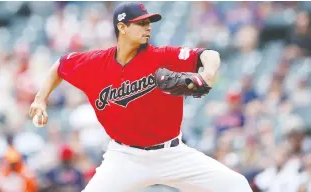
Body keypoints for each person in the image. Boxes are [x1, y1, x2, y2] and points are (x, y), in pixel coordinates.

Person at [29, 2, 252, 192]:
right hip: (125, 157)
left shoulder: (161, 56)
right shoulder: (94, 63)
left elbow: (209, 55)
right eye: (141, 23)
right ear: (122, 27)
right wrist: (40, 99)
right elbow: (60, 65)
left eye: (149, 23)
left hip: (172, 154)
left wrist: (208, 75)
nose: (148, 28)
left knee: (236, 185)